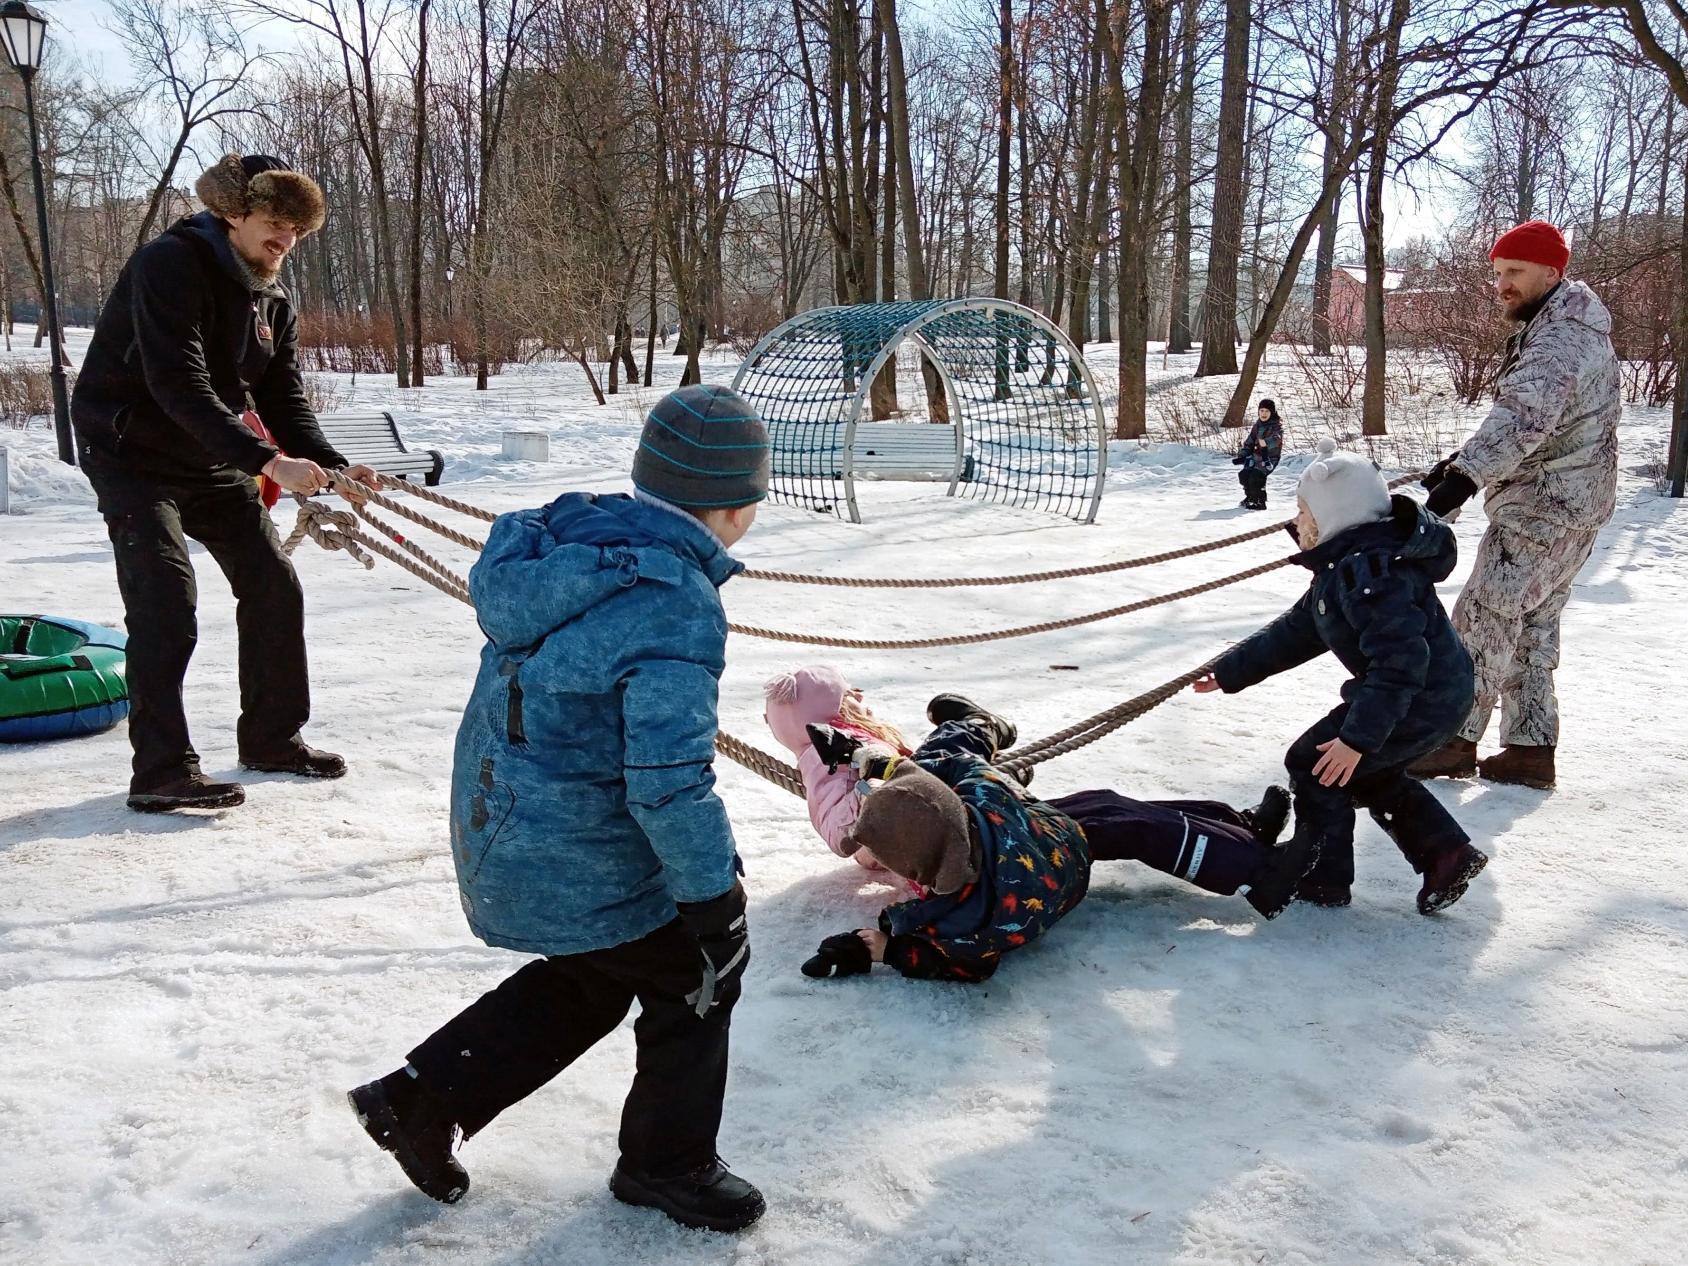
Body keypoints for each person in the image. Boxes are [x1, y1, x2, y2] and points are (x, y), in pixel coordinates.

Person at [348, 384, 770, 1233]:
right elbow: (667, 779)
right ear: (732, 506)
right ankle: (667, 1164)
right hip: (577, 847)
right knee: (696, 976)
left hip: (506, 825)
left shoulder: (566, 547)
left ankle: (423, 1101)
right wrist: (712, 900)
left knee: (598, 974)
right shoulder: (674, 603)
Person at [69, 154, 381, 813]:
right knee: (165, 603)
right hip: (132, 452)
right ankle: (161, 770)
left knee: (273, 583)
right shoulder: (169, 267)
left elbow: (282, 399)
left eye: (298, 229)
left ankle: (272, 737)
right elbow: (176, 384)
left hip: (211, 458)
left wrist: (334, 465)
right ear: (232, 212)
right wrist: (267, 463)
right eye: (275, 222)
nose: (287, 240)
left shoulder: (271, 296)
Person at [798, 696, 1309, 985]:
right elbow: (945, 768)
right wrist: (874, 760)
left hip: (1026, 875)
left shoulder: (952, 918)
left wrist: (882, 951)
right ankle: (1256, 871)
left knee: (1120, 811)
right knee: (1129, 820)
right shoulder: (987, 800)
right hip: (1053, 844)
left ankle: (1238, 829)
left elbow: (961, 966)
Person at [1193, 439, 1487, 914]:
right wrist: (1228, 672)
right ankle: (1446, 854)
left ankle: (1321, 877)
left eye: (1304, 512)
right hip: (1423, 696)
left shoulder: (1374, 577)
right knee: (1367, 775)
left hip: (1415, 697)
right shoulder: (1345, 567)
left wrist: (1357, 738)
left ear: (1334, 516)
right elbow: (1297, 631)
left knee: (1315, 764)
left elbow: (1399, 667)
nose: (1297, 523)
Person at [1410, 220, 1621, 791]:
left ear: (1552, 272)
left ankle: (1449, 739)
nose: (1502, 284)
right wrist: (1461, 459)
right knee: (1532, 624)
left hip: (1545, 505)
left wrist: (1465, 477)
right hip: (1574, 502)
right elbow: (1547, 420)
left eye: (1515, 272)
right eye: (1498, 273)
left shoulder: (1558, 338)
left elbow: (1524, 420)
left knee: (1484, 616)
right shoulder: (1571, 326)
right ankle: (1529, 749)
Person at [762, 664, 916, 875]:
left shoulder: (846, 743)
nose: (861, 699)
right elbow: (832, 814)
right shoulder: (826, 754)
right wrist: (867, 797)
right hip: (895, 831)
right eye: (851, 695)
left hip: (905, 820)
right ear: (837, 711)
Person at [1233, 398, 1284, 510]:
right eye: (1262, 411)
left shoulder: (1276, 426)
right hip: (1255, 457)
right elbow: (1250, 441)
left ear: (1272, 413)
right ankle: (1251, 497)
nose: (1264, 414)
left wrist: (1266, 442)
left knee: (1256, 477)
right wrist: (1243, 453)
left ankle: (1261, 501)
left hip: (1269, 459)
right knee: (1244, 475)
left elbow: (1277, 439)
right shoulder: (1257, 425)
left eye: (1267, 411)